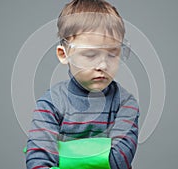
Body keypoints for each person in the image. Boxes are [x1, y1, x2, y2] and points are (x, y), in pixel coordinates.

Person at [26, 0, 140, 169]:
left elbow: (118, 161)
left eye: (112, 54)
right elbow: (38, 162)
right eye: (90, 54)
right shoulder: (50, 104)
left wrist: (64, 156)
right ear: (64, 54)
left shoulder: (125, 104)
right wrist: (101, 153)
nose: (102, 65)